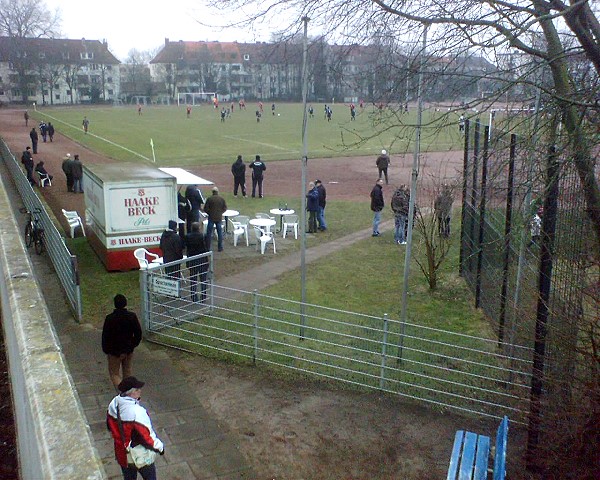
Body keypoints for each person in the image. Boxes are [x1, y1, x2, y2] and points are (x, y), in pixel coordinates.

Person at [106, 376, 164, 480]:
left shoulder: (113, 403)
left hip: (121, 452)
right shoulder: (137, 412)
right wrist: (160, 448)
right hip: (138, 454)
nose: (140, 391)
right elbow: (147, 437)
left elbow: (109, 425)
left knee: (129, 477)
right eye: (137, 390)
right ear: (131, 393)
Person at [102, 294, 142, 390]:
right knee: (127, 371)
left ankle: (123, 393)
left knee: (114, 373)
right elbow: (138, 333)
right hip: (128, 350)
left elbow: (105, 336)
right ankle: (129, 392)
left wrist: (107, 350)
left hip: (114, 352)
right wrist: (132, 345)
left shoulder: (110, 318)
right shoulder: (132, 316)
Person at [185, 222, 209, 303]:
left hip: (192, 260)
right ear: (199, 228)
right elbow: (207, 248)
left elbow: (186, 248)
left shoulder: (187, 236)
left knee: (193, 279)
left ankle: (194, 297)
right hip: (202, 260)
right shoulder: (203, 236)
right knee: (203, 279)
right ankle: (203, 296)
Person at [204, 186, 227, 252]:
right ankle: (220, 247)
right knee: (220, 233)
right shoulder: (221, 199)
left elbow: (206, 208)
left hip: (211, 218)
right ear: (217, 192)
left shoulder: (209, 199)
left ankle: (208, 248)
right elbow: (225, 208)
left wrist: (209, 213)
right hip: (219, 218)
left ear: (212, 192)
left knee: (209, 233)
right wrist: (220, 213)